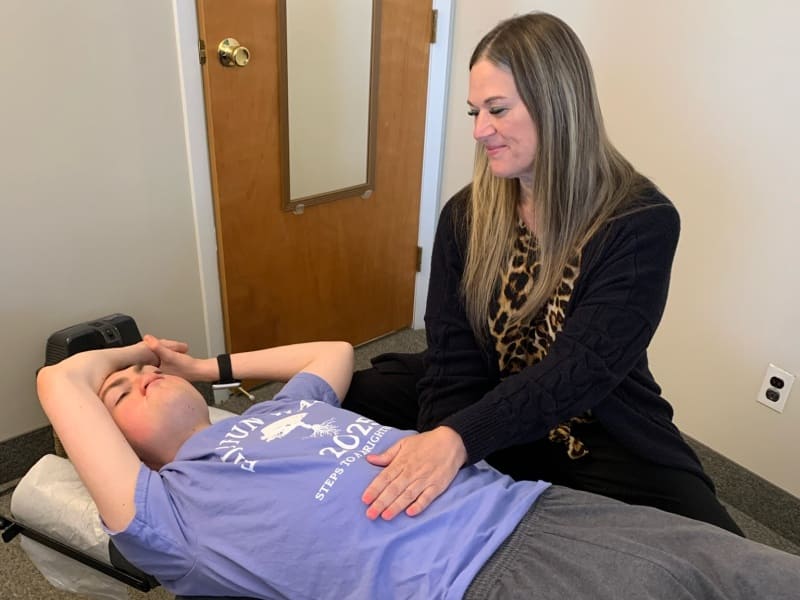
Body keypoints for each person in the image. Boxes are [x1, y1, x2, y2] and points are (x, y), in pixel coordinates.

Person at [345, 11, 742, 534]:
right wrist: (446, 444)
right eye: (474, 112)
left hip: (593, 417)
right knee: (345, 393)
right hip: (488, 387)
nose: (480, 130)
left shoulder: (640, 221)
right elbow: (454, 351)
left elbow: (580, 371)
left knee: (716, 544)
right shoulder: (465, 215)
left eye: (497, 110)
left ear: (557, 105)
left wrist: (458, 439)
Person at [37, 335, 800, 599]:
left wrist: (205, 363)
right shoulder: (168, 515)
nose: (138, 378)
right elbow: (57, 382)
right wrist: (131, 353)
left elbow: (331, 352)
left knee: (744, 570)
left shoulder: (277, 412)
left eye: (138, 372)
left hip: (536, 507)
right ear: (114, 445)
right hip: (474, 583)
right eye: (120, 394)